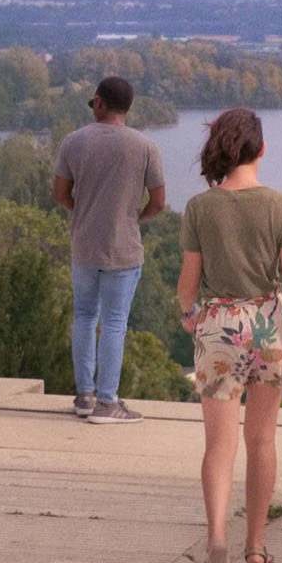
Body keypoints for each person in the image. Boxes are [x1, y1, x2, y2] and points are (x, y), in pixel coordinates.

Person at [177, 108, 282, 563]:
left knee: (219, 445)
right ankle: (255, 548)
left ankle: (217, 543)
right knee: (262, 440)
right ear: (261, 150)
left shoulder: (200, 207)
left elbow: (187, 284)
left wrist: (188, 316)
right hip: (268, 328)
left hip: (218, 328)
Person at [53, 76, 165, 423]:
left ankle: (85, 396)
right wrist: (133, 219)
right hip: (123, 248)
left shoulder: (73, 142)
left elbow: (60, 194)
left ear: (99, 102)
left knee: (84, 317)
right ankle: (107, 402)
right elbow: (159, 202)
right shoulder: (145, 147)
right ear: (127, 107)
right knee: (115, 322)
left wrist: (85, 214)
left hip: (84, 245)